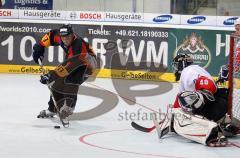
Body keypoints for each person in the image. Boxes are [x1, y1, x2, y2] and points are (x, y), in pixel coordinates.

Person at [159, 53, 237, 147]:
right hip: (217, 105)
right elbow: (178, 103)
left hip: (215, 104)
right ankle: (225, 124)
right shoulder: (194, 70)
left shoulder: (188, 71)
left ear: (181, 65)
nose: (175, 69)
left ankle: (212, 133)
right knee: (181, 105)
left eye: (176, 66)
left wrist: (204, 93)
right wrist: (171, 115)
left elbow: (206, 83)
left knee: (184, 110)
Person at [32, 24, 97, 119]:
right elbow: (50, 36)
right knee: (56, 83)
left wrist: (51, 75)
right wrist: (40, 47)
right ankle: (52, 109)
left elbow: (69, 67)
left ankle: (69, 107)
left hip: (87, 64)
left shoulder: (77, 45)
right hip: (72, 60)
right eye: (63, 38)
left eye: (68, 37)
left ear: (72, 35)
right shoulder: (59, 36)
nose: (65, 40)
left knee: (71, 80)